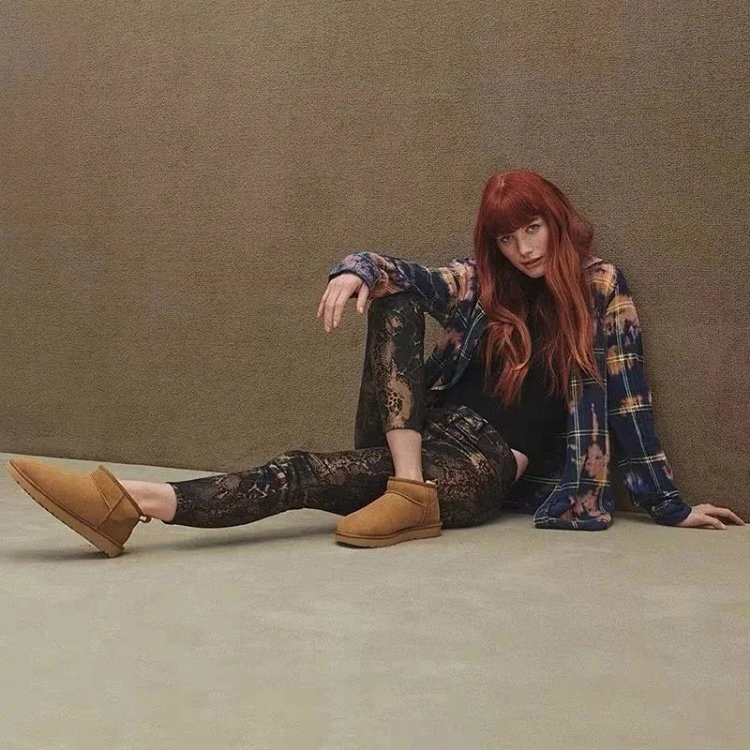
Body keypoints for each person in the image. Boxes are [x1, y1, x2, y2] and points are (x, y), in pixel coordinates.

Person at [6, 169, 744, 558]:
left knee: (300, 472)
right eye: (507, 236)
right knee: (394, 295)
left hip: (483, 467)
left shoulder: (601, 291)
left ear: (555, 219)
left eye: (532, 227)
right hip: (419, 440)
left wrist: (670, 506)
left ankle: (130, 501)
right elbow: (409, 273)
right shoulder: (485, 286)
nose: (523, 248)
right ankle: (407, 490)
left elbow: (629, 405)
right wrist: (355, 269)